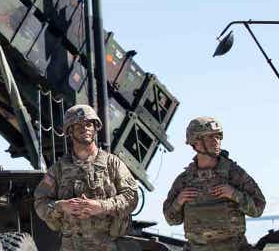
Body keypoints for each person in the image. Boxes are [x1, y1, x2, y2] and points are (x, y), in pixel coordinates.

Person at [34, 104, 138, 251]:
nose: (85, 128)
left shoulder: (112, 163)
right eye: (79, 125)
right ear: (69, 131)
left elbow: (131, 197)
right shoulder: (58, 169)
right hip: (71, 245)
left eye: (89, 124)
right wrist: (62, 206)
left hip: (106, 244)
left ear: (95, 128)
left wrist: (101, 207)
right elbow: (40, 202)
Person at [163, 117, 265, 251]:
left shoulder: (233, 174)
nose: (216, 141)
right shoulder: (185, 180)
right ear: (196, 142)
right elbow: (171, 220)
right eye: (210, 137)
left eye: (218, 137)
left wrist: (234, 194)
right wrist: (179, 201)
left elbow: (258, 208)